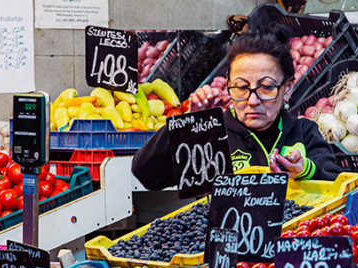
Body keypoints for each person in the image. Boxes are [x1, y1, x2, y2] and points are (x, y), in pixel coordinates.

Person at [132, 24, 341, 190]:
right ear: (228, 83)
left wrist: (305, 169)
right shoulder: (212, 134)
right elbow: (146, 175)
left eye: (266, 87)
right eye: (241, 87)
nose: (252, 101)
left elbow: (337, 182)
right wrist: (187, 125)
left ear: (287, 88)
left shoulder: (304, 132)